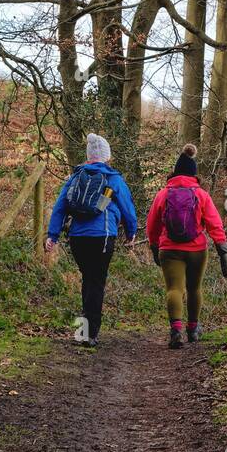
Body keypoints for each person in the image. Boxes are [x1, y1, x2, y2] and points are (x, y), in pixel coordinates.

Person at [45, 133, 137, 349]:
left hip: (77, 238)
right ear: (106, 156)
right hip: (102, 237)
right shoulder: (113, 179)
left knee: (88, 280)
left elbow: (60, 207)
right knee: (95, 282)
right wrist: (131, 232)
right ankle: (89, 334)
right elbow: (127, 208)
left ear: (88, 156)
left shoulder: (75, 177)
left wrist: (53, 235)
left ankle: (83, 331)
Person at [146, 143, 227, 349]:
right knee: (194, 288)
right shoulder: (201, 194)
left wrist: (154, 246)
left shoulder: (163, 194)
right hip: (197, 250)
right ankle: (193, 329)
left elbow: (152, 224)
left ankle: (176, 330)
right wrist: (222, 248)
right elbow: (214, 223)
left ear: (174, 172)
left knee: (174, 289)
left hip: (169, 249)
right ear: (194, 174)